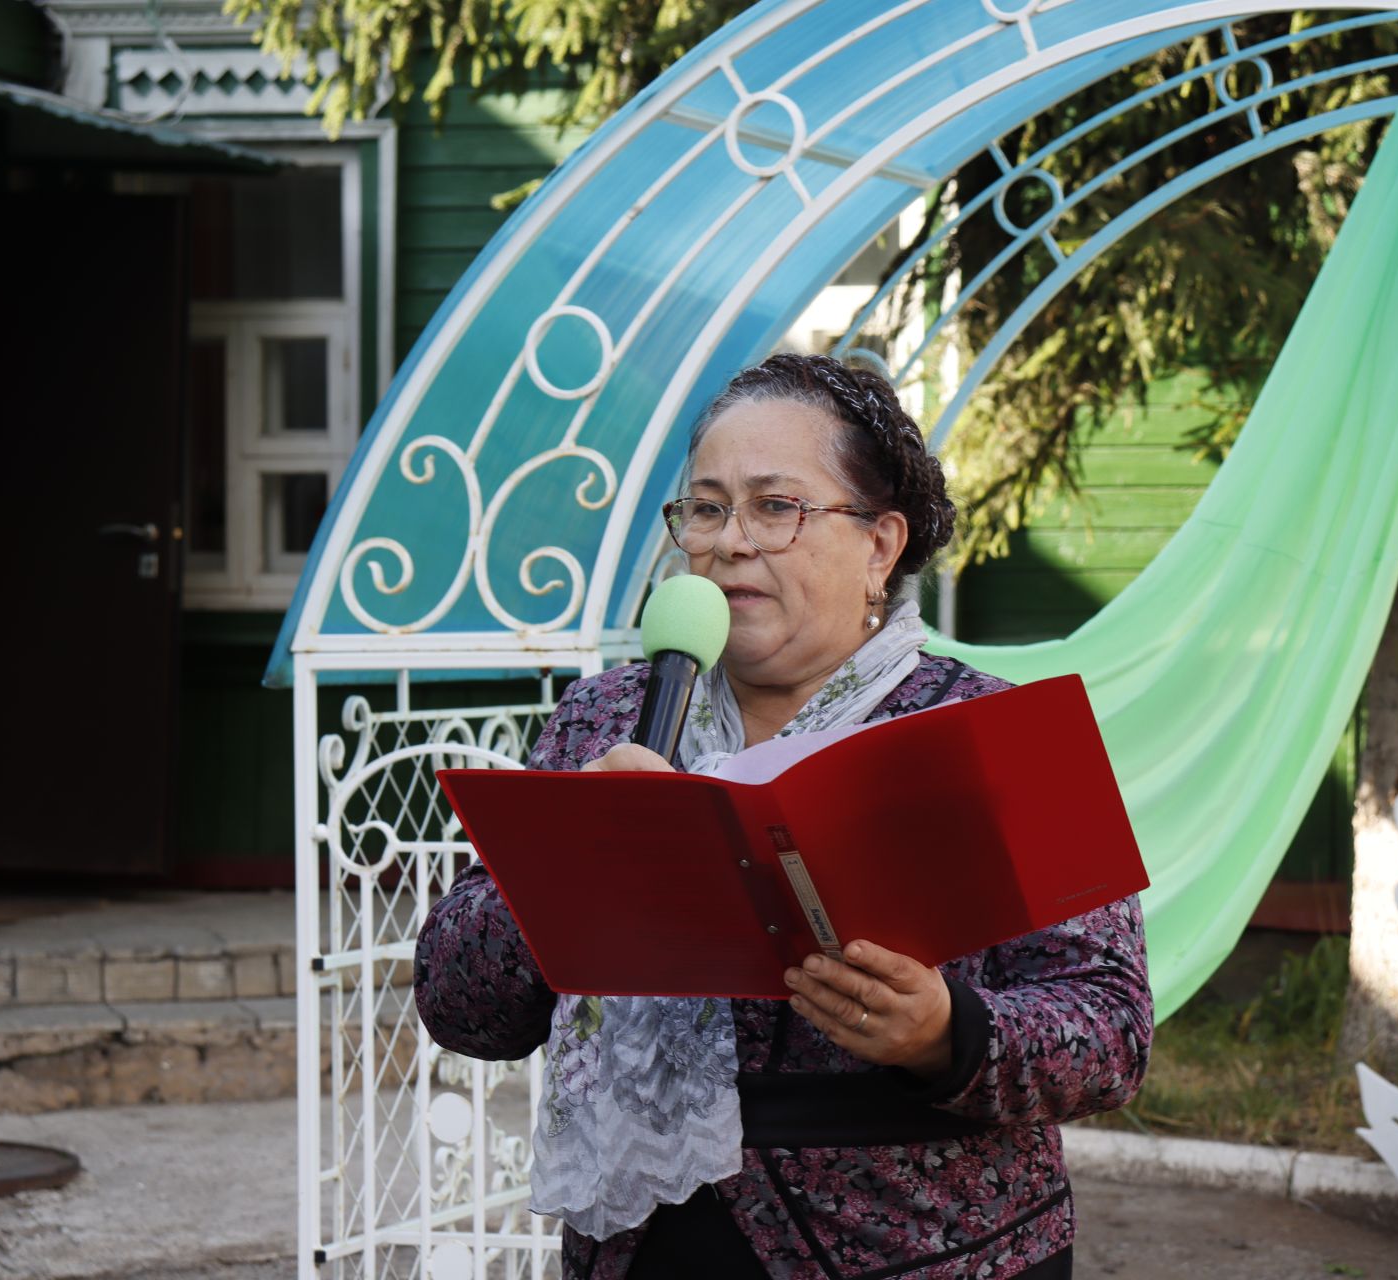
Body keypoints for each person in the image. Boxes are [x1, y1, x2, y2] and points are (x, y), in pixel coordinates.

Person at [414, 353, 1153, 1279]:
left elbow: (1112, 1030)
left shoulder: (994, 734)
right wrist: (569, 872)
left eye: (775, 506)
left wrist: (947, 1032)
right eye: (707, 508)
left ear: (881, 545)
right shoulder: (604, 722)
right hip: (642, 1252)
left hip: (929, 1252)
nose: (729, 542)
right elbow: (457, 1002)